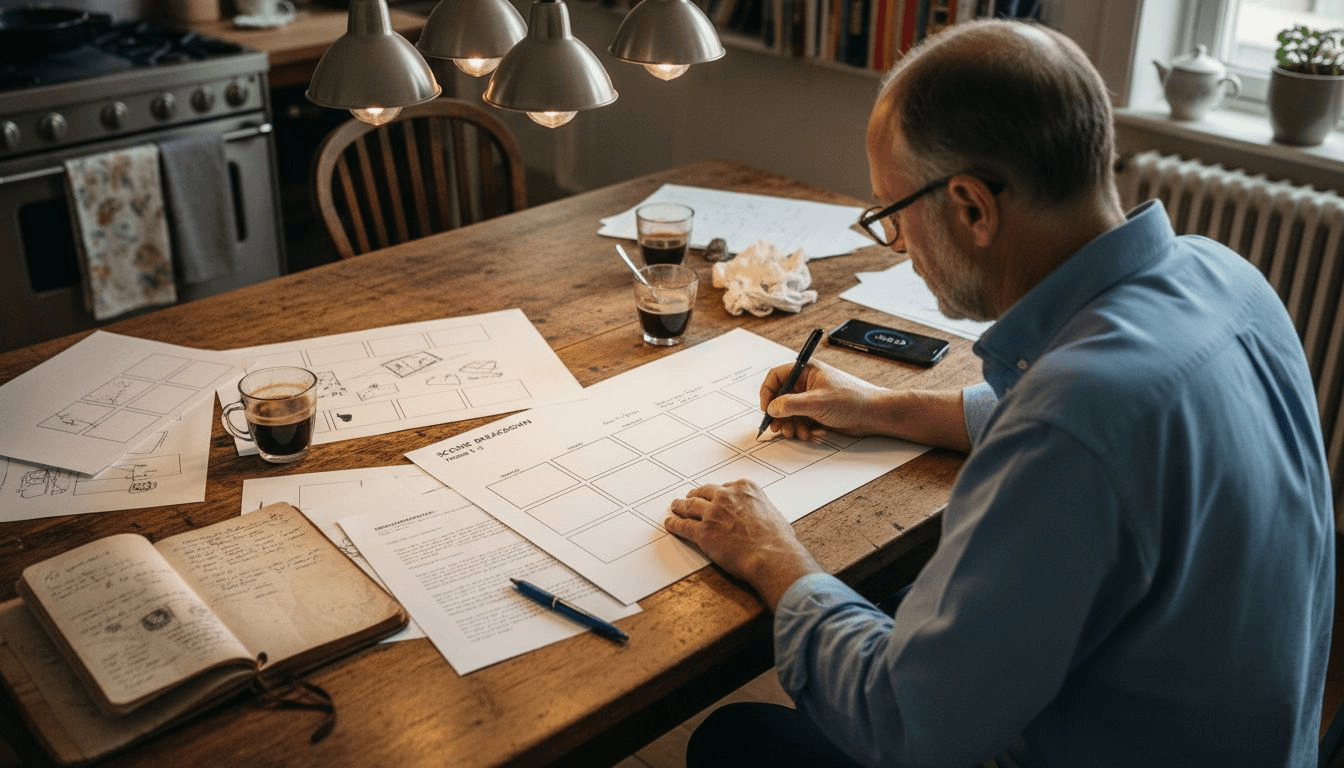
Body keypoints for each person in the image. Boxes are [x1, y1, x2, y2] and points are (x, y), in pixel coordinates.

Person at [664, 18, 1335, 768]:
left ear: (972, 208)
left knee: (734, 742)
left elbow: (903, 725)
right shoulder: (1226, 278)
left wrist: (772, 555)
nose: (898, 246)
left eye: (891, 216)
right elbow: (1103, 439)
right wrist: (878, 407)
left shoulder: (1073, 421)